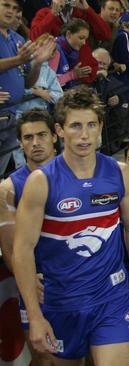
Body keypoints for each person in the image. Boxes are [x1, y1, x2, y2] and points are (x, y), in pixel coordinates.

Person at [12, 86, 129, 362]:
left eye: (91, 125)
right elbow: (22, 250)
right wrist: (35, 316)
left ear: (100, 126)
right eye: (75, 126)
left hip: (111, 298)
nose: (84, 135)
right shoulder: (41, 182)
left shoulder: (120, 173)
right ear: (60, 130)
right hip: (62, 303)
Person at [0, 109, 58, 366]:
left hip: (80, 281)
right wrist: (29, 283)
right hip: (38, 286)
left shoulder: (80, 174)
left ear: (55, 136)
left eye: (41, 135)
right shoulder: (9, 188)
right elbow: (11, 248)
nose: (35, 143)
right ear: (20, 143)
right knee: (45, 358)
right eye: (28, 137)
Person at [0, 0, 56, 174]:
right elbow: (18, 62)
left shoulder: (17, 39)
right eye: (6, 5)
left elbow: (27, 82)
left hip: (12, 113)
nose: (11, 11)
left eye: (15, 8)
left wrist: (38, 63)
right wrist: (17, 60)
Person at [30, 0, 113, 85]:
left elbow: (106, 35)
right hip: (58, 78)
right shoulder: (45, 13)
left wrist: (88, 9)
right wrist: (53, 13)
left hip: (84, 78)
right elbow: (35, 39)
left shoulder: (82, 12)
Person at [53, 18, 92, 89]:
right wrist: (72, 74)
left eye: (85, 39)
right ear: (69, 34)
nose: (84, 43)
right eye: (81, 38)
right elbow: (49, 84)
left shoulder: (73, 52)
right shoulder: (54, 50)